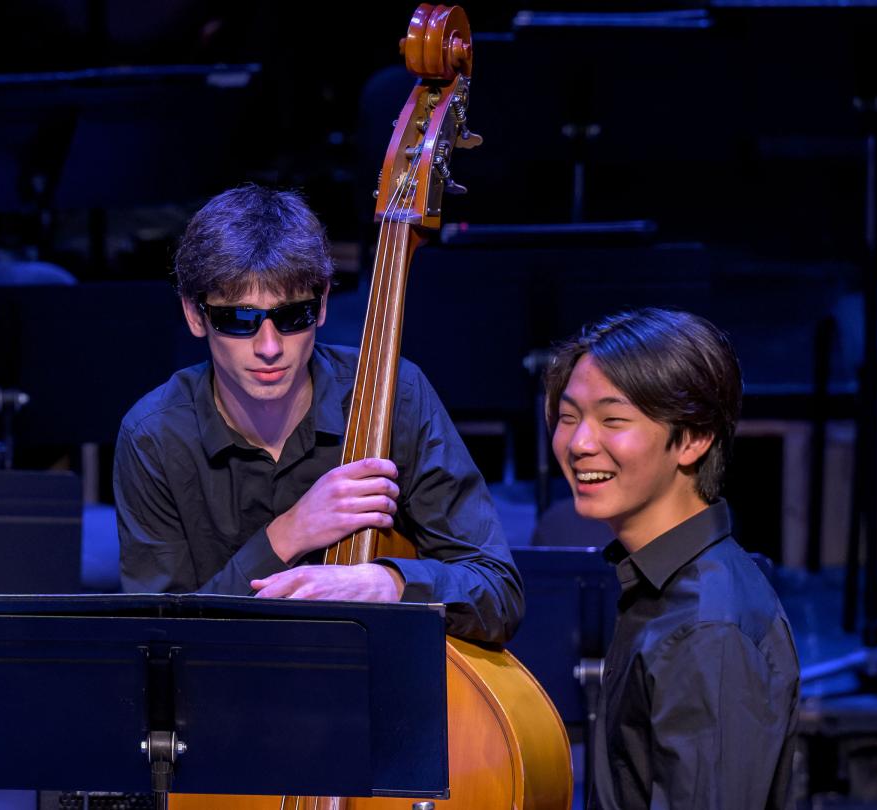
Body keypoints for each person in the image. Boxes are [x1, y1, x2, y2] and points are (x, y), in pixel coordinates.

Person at [114, 184, 522, 644]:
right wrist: (285, 537)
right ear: (194, 314)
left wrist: (386, 584)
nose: (269, 348)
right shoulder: (154, 434)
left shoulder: (397, 396)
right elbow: (161, 644)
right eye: (238, 321)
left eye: (293, 316)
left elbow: (498, 593)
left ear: (323, 303)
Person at [545, 308, 800, 810]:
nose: (578, 444)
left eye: (613, 420)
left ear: (693, 438)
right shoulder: (664, 588)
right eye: (569, 417)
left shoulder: (706, 628)